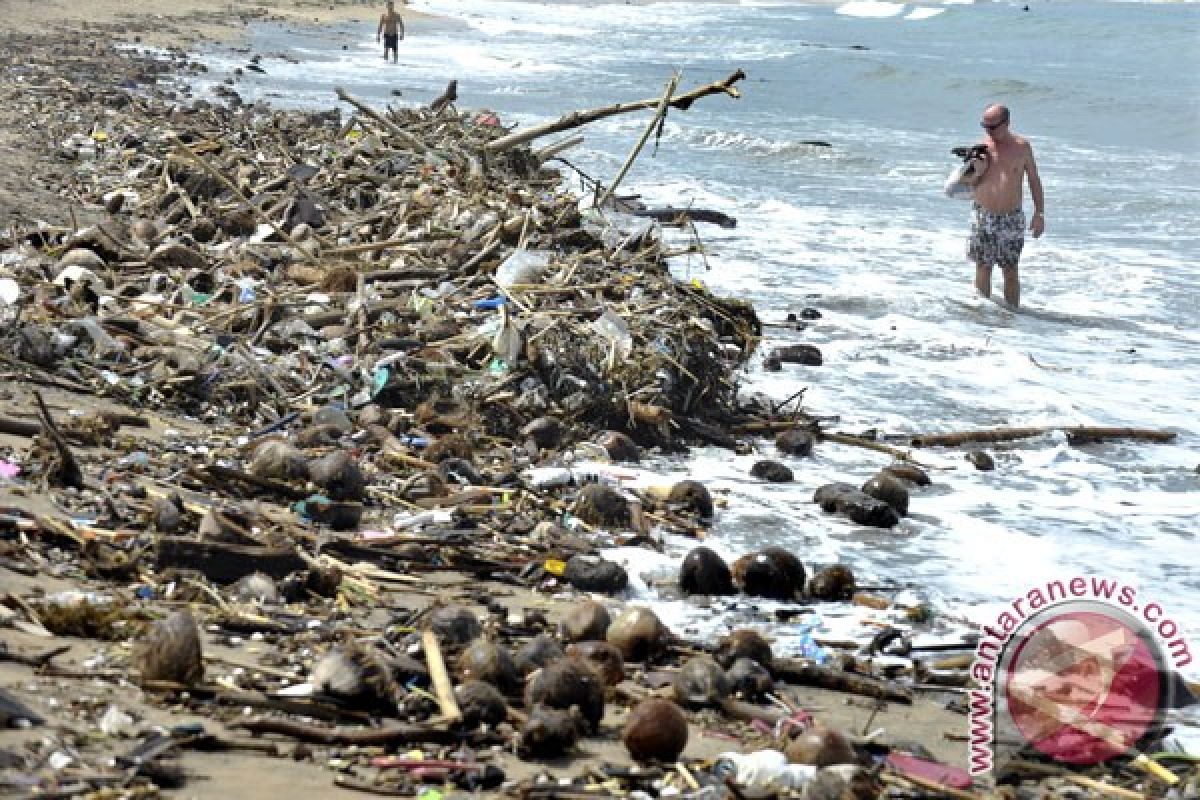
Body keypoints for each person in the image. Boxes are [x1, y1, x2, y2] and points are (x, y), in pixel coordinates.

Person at [967, 103, 1044, 308]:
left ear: (1007, 123)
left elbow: (1034, 179)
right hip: (984, 216)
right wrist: (978, 170)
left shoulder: (1022, 147)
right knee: (983, 267)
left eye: (993, 127)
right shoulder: (980, 148)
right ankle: (980, 315)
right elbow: (965, 185)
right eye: (985, 126)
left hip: (1012, 217)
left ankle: (1012, 320)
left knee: (1010, 270)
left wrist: (1039, 214)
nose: (988, 131)